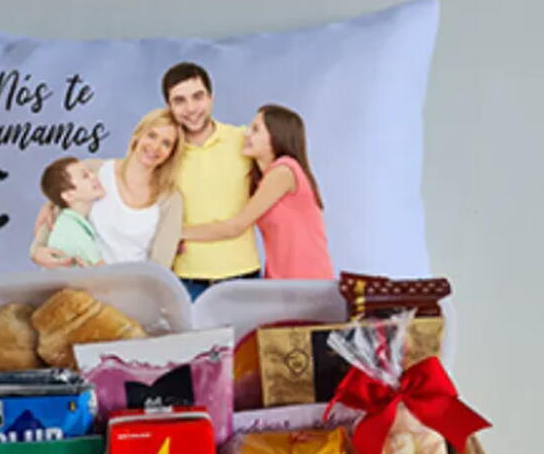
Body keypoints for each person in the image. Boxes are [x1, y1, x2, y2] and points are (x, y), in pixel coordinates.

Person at [179, 104, 333, 280]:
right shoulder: (264, 179)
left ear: (276, 136)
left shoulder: (284, 171)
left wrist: (177, 233)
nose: (246, 134)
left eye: (256, 129)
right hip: (280, 279)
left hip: (306, 278)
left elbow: (235, 227)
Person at [31, 109, 184, 268]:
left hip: (132, 283)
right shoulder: (94, 171)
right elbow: (61, 196)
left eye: (166, 143)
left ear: (171, 153)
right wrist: (37, 251)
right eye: (151, 135)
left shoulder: (170, 199)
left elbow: (160, 266)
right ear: (138, 136)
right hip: (83, 282)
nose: (155, 146)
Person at [162, 63, 260, 300]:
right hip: (187, 280)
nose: (191, 108)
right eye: (180, 101)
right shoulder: (164, 152)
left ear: (211, 98)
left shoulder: (243, 140)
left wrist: (178, 233)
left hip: (244, 275)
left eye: (198, 97)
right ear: (169, 107)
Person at [40, 157, 105, 266]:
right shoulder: (72, 230)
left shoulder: (71, 221)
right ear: (68, 195)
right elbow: (104, 270)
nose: (94, 176)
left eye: (91, 172)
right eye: (85, 176)